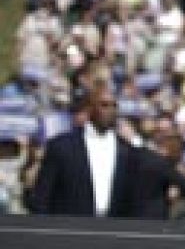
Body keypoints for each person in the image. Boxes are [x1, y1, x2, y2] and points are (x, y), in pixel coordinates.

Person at [29, 83, 138, 217]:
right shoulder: (61, 147)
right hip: (70, 229)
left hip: (112, 230)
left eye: (114, 106)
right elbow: (42, 197)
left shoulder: (126, 150)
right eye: (104, 105)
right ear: (89, 109)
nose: (111, 111)